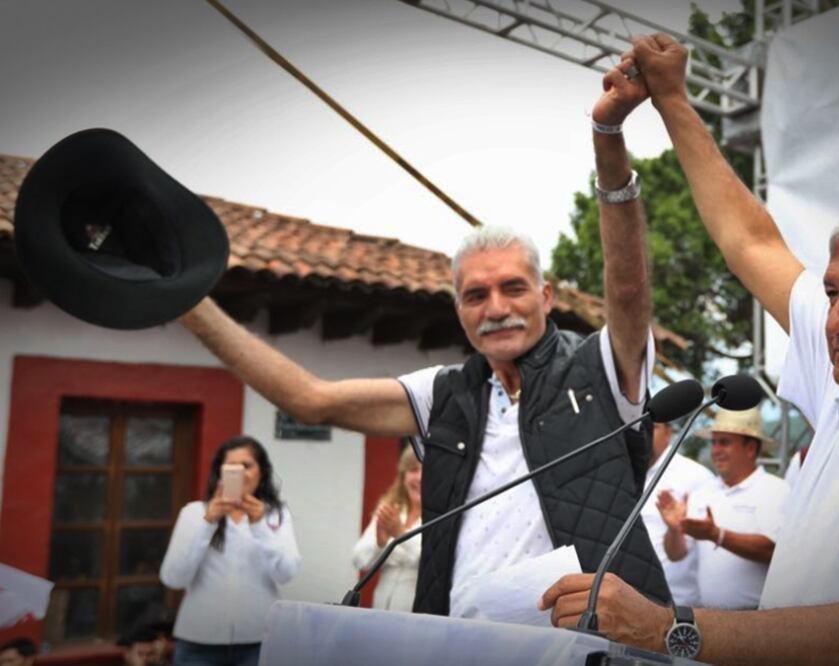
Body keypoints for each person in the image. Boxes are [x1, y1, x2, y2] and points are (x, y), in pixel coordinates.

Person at [540, 32, 839, 665]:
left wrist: (667, 628)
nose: (836, 322)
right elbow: (750, 241)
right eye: (830, 293)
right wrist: (671, 101)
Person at [176, 56, 673, 616]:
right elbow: (308, 400)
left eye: (514, 288)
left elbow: (628, 289)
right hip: (455, 646)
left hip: (584, 647)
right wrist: (184, 302)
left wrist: (607, 138)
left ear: (547, 296)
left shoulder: (598, 370)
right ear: (458, 310)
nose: (497, 309)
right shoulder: (445, 395)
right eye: (476, 295)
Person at [159, 436, 301, 666]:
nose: (240, 472)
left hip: (258, 640)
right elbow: (173, 578)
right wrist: (208, 522)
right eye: (232, 466)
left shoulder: (276, 514)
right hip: (198, 641)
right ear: (220, 473)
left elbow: (286, 574)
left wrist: (260, 526)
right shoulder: (194, 513)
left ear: (261, 472)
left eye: (247, 465)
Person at [657, 407, 789, 610]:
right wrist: (674, 530)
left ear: (751, 448)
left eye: (724, 442)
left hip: (759, 622)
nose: (715, 450)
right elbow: (676, 555)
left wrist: (716, 535)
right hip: (708, 620)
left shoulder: (776, 490)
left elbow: (773, 550)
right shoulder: (702, 492)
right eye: (713, 442)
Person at [641, 420, 713, 607]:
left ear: (668, 432)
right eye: (640, 426)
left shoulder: (695, 476)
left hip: (678, 605)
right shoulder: (627, 471)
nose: (645, 432)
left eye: (652, 426)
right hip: (632, 600)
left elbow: (702, 545)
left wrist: (674, 529)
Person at [352, 444, 423, 612]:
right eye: (413, 470)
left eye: (427, 472)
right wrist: (380, 543)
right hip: (381, 608)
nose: (420, 478)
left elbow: (433, 564)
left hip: (417, 614)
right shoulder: (391, 507)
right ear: (403, 475)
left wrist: (400, 534)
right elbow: (359, 560)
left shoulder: (444, 515)